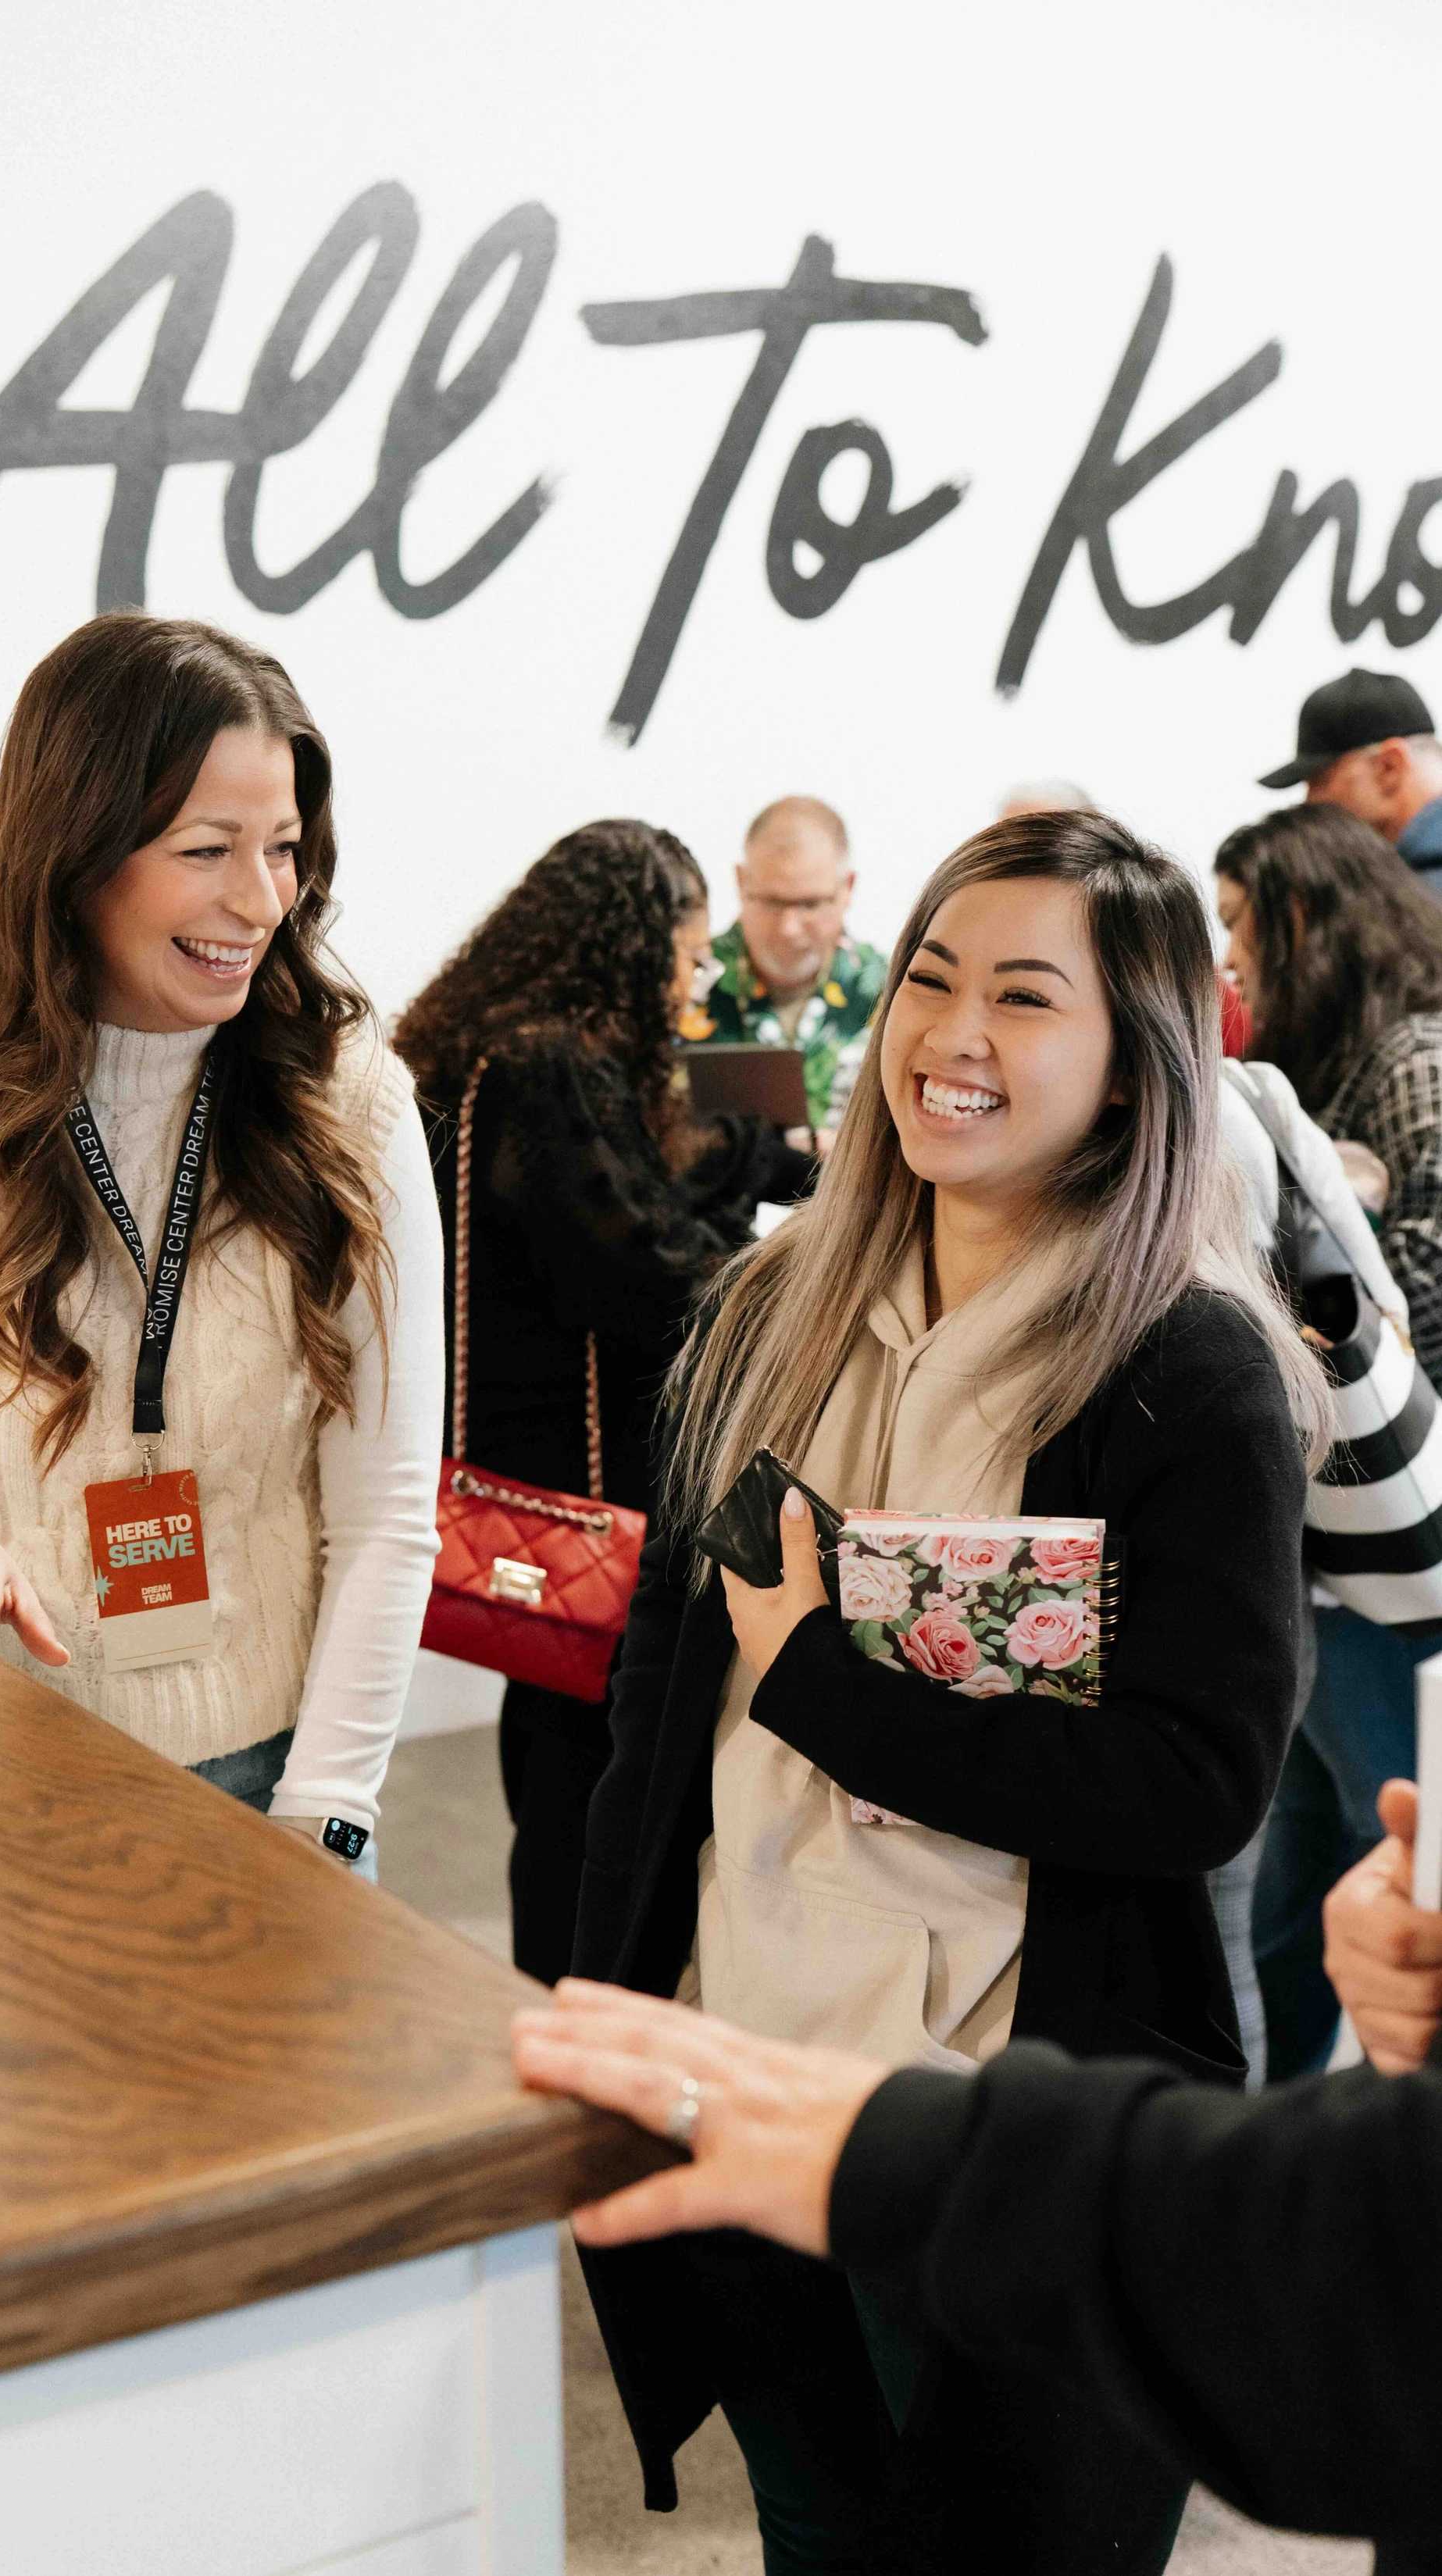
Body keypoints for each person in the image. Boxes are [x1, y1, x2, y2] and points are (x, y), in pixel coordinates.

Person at [571, 807, 1326, 2574]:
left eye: (1025, 996)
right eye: (929, 977)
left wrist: (829, 1687)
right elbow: (660, 1709)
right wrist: (601, 1996)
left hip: (992, 2128)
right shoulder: (770, 1308)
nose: (953, 1035)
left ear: (1138, 1064)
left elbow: (1194, 1782)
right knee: (817, 2526)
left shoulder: (1184, 1370)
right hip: (743, 2066)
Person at [0, 613, 441, 1865]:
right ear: (74, 851)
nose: (261, 901)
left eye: (285, 848)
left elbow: (388, 1514)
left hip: (271, 1779)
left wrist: (325, 1816)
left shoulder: (350, 1103)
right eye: (207, 849)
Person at [512, 1779, 1442, 2576]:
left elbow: (1354, 2296)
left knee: (1018, 2517)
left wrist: (893, 2150)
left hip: (974, 2078)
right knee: (813, 2501)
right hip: (757, 2002)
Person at [394, 819, 806, 1982]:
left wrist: (745, 1155)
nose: (698, 977)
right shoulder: (546, 1066)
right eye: (688, 953)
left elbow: (622, 1207)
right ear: (630, 945)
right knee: (587, 1784)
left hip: (526, 1480)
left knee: (558, 1758)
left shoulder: (491, 1054)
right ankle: (568, 2007)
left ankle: (558, 1998)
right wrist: (788, 1270)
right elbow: (636, 1270)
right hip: (584, 1496)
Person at [1215, 803, 1442, 2071]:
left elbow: (1429, 1289)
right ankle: (1281, 2127)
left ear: (1303, 919)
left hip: (1386, 1522)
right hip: (1333, 1528)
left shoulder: (1413, 1060)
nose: (1230, 955)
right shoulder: (1331, 1058)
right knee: (1306, 1855)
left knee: (1381, 1841)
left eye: (1240, 921)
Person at [684, 796, 886, 1140]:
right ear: (741, 882)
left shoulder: (889, 990)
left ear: (848, 889)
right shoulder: (685, 985)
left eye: (810, 904)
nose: (788, 929)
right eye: (772, 902)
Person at [1259, 666, 1442, 898]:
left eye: (1322, 780)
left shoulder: (1421, 893)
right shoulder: (1405, 879)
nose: (1310, 800)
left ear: (1389, 767)